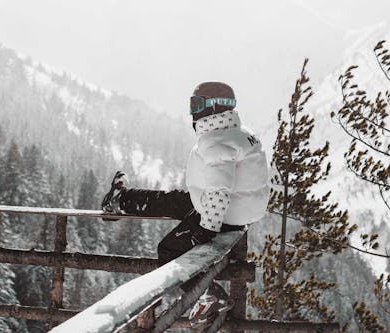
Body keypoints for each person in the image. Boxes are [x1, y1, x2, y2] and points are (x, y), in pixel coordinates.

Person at [101, 81, 269, 327]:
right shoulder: (239, 135)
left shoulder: (217, 143)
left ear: (213, 107)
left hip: (222, 217)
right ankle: (122, 199)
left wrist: (206, 228)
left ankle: (210, 295)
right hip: (233, 212)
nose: (192, 111)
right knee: (174, 200)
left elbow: (219, 190)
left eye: (197, 104)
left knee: (168, 249)